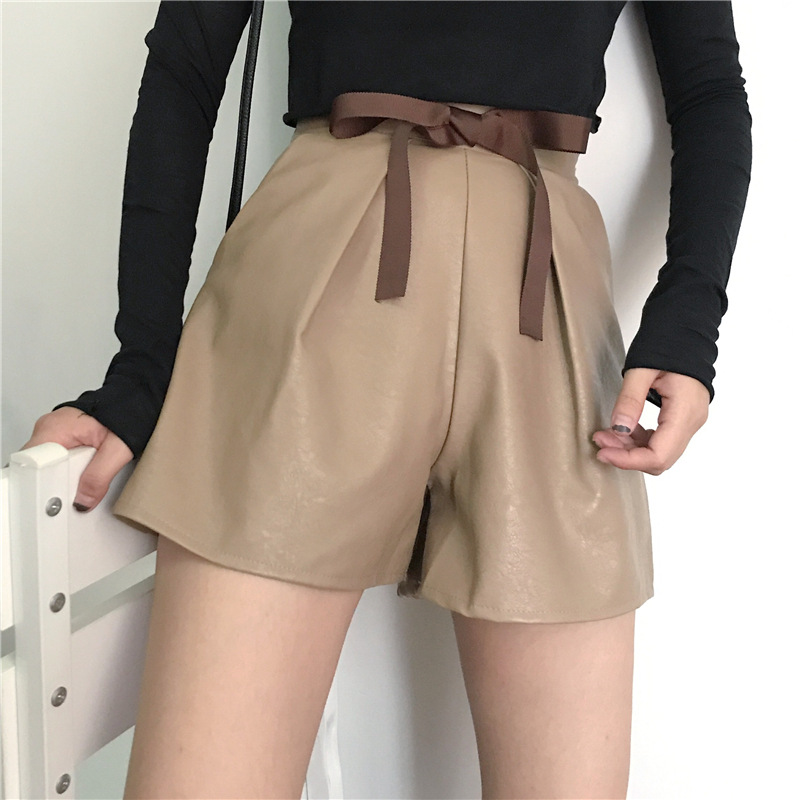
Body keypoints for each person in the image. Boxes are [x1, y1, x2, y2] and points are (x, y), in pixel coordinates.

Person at [21, 1, 752, 797]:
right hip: (316, 284)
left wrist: (688, 329)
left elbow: (710, 89)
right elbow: (185, 66)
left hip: (549, 306)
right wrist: (139, 373)